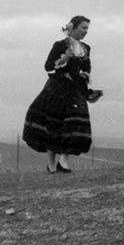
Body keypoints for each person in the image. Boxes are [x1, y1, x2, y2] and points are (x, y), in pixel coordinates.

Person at [22, 15, 98, 173]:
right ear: (73, 27)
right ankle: (51, 164)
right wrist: (64, 61)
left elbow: (87, 67)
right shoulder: (59, 45)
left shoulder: (86, 48)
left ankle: (63, 162)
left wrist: (84, 77)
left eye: (87, 28)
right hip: (57, 89)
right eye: (83, 27)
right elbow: (48, 66)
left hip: (75, 90)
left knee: (73, 125)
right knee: (54, 125)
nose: (85, 31)